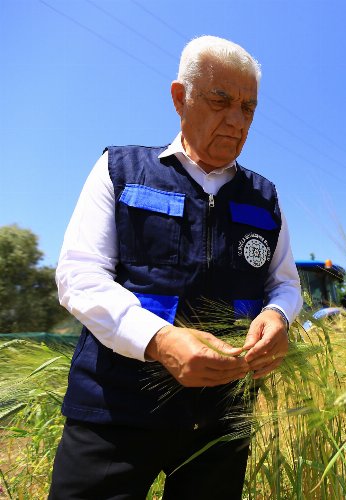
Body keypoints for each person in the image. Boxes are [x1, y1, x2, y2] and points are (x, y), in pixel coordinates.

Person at [49, 35, 302, 499]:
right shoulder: (119, 170)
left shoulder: (265, 197)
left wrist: (278, 315)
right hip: (114, 411)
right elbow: (78, 276)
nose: (236, 119)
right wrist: (161, 341)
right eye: (220, 100)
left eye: (248, 107)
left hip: (222, 422)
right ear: (179, 98)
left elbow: (284, 283)